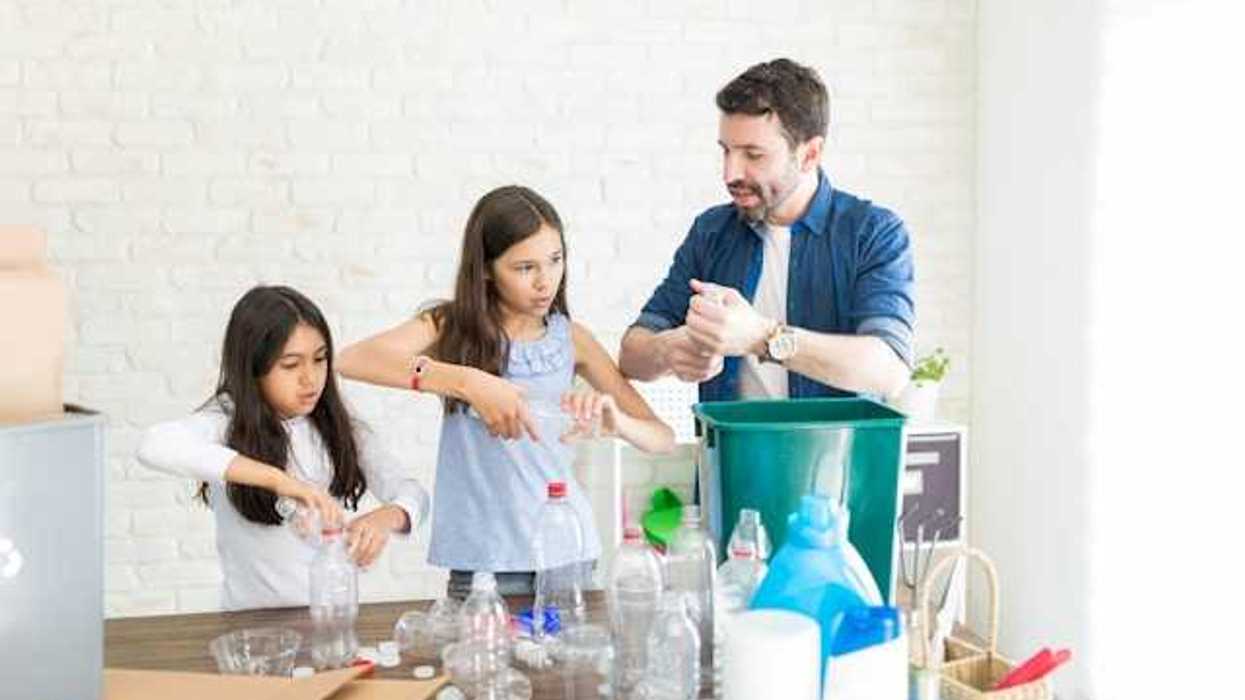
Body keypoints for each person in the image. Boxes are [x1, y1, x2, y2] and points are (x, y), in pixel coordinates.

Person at [336, 185, 675, 598]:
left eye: (555, 261)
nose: (545, 281)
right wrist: (468, 381)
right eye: (524, 267)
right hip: (482, 558)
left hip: (564, 551)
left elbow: (661, 438)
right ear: (485, 269)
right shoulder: (450, 328)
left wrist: (615, 421)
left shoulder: (572, 340)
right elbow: (353, 360)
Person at [619, 58, 915, 401]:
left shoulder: (873, 233)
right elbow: (631, 355)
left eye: (753, 155)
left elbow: (889, 370)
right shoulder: (711, 231)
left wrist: (763, 338)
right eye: (726, 151)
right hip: (730, 455)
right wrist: (667, 349)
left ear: (810, 154)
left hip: (838, 455)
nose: (730, 173)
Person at [137, 285, 429, 610]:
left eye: (320, 360)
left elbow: (412, 492)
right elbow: (154, 444)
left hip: (332, 620)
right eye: (290, 365)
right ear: (253, 368)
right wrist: (281, 481)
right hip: (254, 629)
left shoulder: (337, 424)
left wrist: (388, 517)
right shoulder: (225, 420)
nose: (311, 379)